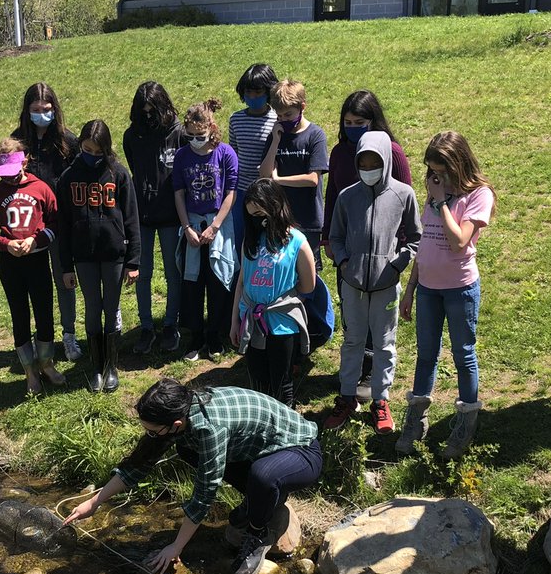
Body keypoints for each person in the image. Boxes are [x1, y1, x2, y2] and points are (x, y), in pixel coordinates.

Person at [63, 379, 323, 574]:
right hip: (262, 450)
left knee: (263, 476)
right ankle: (264, 499)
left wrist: (176, 547)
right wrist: (95, 502)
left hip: (302, 452)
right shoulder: (182, 409)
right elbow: (139, 464)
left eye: (152, 431)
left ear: (175, 423)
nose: (148, 435)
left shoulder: (209, 427)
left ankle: (258, 535)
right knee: (187, 450)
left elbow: (205, 491)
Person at [396, 131, 495, 459]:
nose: (434, 176)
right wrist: (411, 288)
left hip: (460, 288)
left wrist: (441, 202)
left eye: (440, 169)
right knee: (426, 354)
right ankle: (417, 419)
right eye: (431, 170)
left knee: (463, 353)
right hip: (428, 289)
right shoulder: (435, 193)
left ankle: (466, 421)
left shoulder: (479, 195)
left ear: (457, 164)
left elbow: (458, 242)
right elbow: (426, 243)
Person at [324, 131, 421, 432]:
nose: (368, 168)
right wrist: (342, 261)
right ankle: (346, 397)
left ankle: (381, 400)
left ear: (386, 161)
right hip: (352, 285)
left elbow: (415, 238)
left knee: (384, 343)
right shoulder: (347, 196)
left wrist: (397, 264)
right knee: (352, 341)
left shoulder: (403, 195)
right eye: (363, 162)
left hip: (385, 286)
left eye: (374, 162)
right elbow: (336, 236)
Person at [58, 119, 141, 393]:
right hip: (84, 256)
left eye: (97, 151)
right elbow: (63, 225)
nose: (92, 156)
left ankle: (111, 366)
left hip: (114, 255)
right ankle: (96, 366)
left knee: (111, 307)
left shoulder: (118, 174)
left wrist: (133, 261)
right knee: (93, 307)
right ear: (80, 144)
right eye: (87, 149)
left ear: (106, 149)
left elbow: (131, 218)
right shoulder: (69, 177)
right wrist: (66, 266)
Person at [0, 137, 67, 395]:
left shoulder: (41, 188)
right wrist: (5, 244)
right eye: (2, 174)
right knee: (19, 315)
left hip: (37, 259)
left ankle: (46, 362)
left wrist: (35, 239)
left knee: (44, 313)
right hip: (10, 263)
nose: (7, 179)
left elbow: (55, 222)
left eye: (11, 173)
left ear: (24, 161)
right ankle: (29, 370)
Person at [230, 179, 317, 408]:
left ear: (275, 205)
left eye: (260, 213)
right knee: (258, 382)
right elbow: (241, 282)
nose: (258, 221)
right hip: (251, 320)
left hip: (281, 324)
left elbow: (308, 286)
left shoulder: (296, 241)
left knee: (281, 382)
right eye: (252, 216)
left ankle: (285, 431)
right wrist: (234, 323)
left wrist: (280, 297)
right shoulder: (250, 241)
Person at [14, 83, 85, 361]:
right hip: (26, 226)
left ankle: (69, 335)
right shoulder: (18, 142)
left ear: (54, 110)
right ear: (27, 111)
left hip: (60, 224)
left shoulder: (68, 141)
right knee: (34, 284)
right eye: (35, 110)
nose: (41, 114)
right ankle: (41, 337)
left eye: (46, 110)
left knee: (64, 279)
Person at [173, 98, 239, 362]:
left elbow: (230, 191)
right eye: (189, 135)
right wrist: (186, 227)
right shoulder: (182, 156)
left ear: (211, 127)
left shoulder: (225, 153)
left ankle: (215, 336)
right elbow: (178, 193)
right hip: (192, 223)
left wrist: (215, 226)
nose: (194, 139)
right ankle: (195, 336)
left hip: (218, 225)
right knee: (192, 280)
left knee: (218, 278)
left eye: (199, 135)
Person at [124, 82, 186, 355]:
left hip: (172, 213)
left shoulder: (179, 133)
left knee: (174, 272)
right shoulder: (132, 135)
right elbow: (134, 169)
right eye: (143, 111)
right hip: (143, 215)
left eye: (153, 111)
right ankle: (147, 327)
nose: (148, 116)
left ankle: (171, 324)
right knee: (143, 273)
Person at [258, 79, 329, 270]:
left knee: (308, 275)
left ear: (302, 107)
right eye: (279, 116)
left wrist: (279, 180)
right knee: (281, 271)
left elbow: (313, 179)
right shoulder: (276, 135)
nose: (283, 120)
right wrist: (274, 141)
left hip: (308, 220)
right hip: (280, 219)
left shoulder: (315, 135)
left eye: (288, 115)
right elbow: (264, 175)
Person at [227, 63, 279, 256]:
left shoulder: (276, 120)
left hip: (268, 192)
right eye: (249, 93)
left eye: (258, 92)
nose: (253, 97)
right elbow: (232, 154)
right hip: (241, 192)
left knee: (269, 242)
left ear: (269, 92)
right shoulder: (236, 119)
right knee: (241, 242)